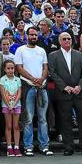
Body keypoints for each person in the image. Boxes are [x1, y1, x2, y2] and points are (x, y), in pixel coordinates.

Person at [48, 32, 82, 156]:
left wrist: (80, 86)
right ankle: (68, 147)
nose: (67, 40)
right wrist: (64, 87)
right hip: (63, 93)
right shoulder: (53, 55)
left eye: (69, 38)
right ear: (59, 41)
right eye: (64, 39)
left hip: (80, 92)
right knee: (65, 121)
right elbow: (52, 72)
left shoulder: (79, 54)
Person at [14, 28, 53, 157]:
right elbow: (19, 68)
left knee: (43, 118)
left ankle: (44, 146)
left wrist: (41, 78)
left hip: (41, 86)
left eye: (35, 35)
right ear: (27, 36)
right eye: (31, 34)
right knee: (28, 118)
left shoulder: (41, 50)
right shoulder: (20, 50)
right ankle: (28, 146)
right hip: (27, 86)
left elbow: (45, 67)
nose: (33, 36)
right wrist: (32, 79)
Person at [0, 59, 22, 157]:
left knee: (16, 126)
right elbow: (3, 93)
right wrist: (9, 104)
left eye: (12, 68)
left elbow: (19, 93)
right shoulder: (2, 79)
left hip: (17, 105)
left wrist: (14, 103)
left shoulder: (18, 79)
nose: (10, 70)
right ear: (5, 69)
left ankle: (16, 146)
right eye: (8, 68)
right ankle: (9, 147)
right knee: (8, 126)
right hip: (6, 105)